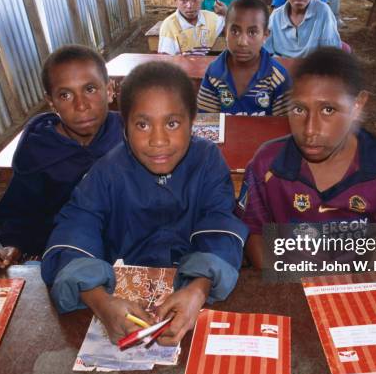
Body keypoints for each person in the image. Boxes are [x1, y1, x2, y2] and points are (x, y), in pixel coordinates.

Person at [41, 62, 248, 346]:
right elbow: (75, 230)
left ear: (193, 121)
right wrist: (100, 303)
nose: (158, 141)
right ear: (123, 126)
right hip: (122, 305)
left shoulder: (207, 161)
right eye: (142, 124)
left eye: (172, 123)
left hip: (193, 295)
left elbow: (220, 222)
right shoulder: (107, 172)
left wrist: (199, 290)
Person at [236, 48, 376, 268]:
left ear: (357, 105)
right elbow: (253, 232)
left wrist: (363, 279)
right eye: (299, 109)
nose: (309, 130)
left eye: (328, 109)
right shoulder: (267, 165)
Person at [0, 45, 123, 269]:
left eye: (90, 89)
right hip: (61, 249)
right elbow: (19, 211)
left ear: (109, 90)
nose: (81, 105)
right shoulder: (38, 150)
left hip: (127, 243)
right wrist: (13, 243)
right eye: (65, 95)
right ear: (51, 102)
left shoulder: (129, 134)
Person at [197, 0, 292, 115]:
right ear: (226, 32)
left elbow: (283, 128)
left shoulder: (277, 78)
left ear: (265, 36)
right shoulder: (214, 73)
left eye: (252, 32)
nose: (242, 42)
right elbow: (205, 125)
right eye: (235, 31)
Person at [264, 0, 341, 58]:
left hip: (313, 69)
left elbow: (330, 54)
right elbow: (266, 52)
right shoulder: (275, 17)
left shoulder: (323, 12)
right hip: (281, 70)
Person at [159, 0, 225, 55]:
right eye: (183, 0)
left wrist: (226, 12)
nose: (190, 5)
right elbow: (165, 59)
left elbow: (228, 22)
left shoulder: (212, 19)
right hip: (178, 65)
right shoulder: (169, 26)